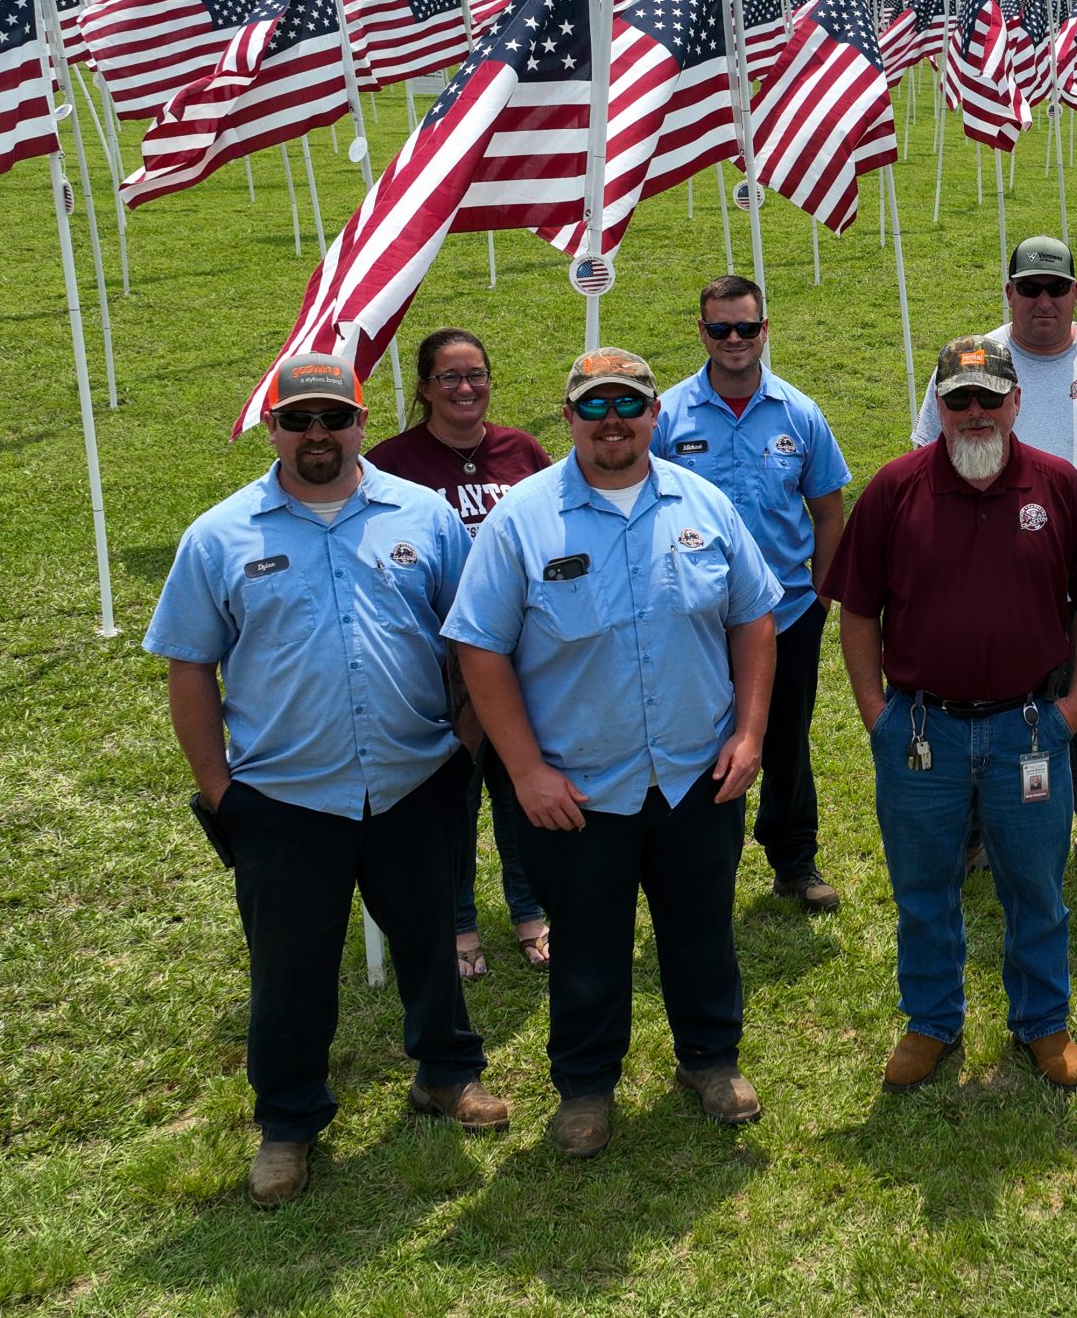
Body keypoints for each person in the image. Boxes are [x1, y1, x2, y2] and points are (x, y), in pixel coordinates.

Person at [145, 355, 505, 1208]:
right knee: (290, 970)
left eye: (333, 419)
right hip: (284, 799)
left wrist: (463, 743)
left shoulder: (423, 516)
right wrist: (221, 789)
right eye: (298, 420)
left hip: (415, 781)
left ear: (359, 422)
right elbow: (191, 667)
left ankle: (447, 1074)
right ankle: (288, 1123)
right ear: (271, 427)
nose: (317, 436)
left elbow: (474, 639)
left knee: (430, 943)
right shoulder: (219, 536)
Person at [444, 348, 780, 1159]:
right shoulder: (523, 520)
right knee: (588, 945)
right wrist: (524, 770)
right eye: (593, 408)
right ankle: (586, 1087)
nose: (613, 422)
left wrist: (750, 733)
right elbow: (480, 650)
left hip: (697, 773)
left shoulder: (703, 504)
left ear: (655, 415)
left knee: (701, 930)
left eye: (628, 404)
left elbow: (754, 618)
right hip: (579, 788)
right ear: (568, 420)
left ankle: (710, 1060)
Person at [825, 336, 1077, 1094]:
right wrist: (875, 712)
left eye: (991, 396)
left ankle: (1044, 1023)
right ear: (939, 406)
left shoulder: (1058, 488)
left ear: (1017, 401)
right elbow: (856, 609)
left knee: (1035, 887)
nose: (976, 412)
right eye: (959, 399)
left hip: (1028, 729)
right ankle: (931, 1022)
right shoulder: (895, 490)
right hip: (922, 733)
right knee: (925, 887)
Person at [913, 237, 1077, 890]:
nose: (1043, 300)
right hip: (990, 589)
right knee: (984, 711)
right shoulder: (971, 361)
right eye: (1029, 288)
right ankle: (973, 839)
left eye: (1056, 288)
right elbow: (927, 459)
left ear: (1076, 293)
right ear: (1009, 294)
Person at [652, 275, 853, 912]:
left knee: (785, 740)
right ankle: (704, 864)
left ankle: (795, 860)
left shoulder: (799, 414)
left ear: (765, 329)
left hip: (787, 613)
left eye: (746, 327)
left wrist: (820, 597)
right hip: (699, 618)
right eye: (720, 329)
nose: (734, 340)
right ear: (702, 332)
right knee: (703, 740)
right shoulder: (668, 416)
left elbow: (827, 510)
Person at [365, 328, 555, 981]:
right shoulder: (392, 462)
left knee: (520, 787)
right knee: (451, 798)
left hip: (521, 658)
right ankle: (458, 922)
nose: (465, 387)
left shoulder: (522, 451)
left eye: (476, 374)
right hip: (436, 664)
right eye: (449, 377)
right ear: (423, 388)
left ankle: (530, 912)